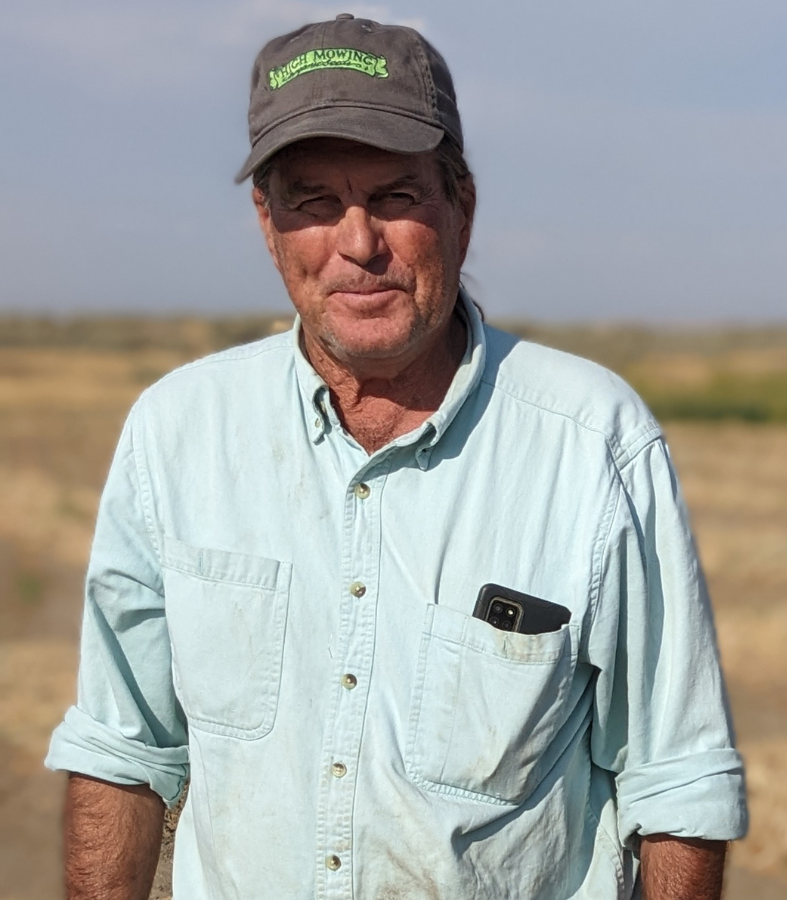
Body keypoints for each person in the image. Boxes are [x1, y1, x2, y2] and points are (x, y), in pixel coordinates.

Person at [46, 16, 745, 900]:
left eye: (396, 196)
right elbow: (123, 751)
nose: (358, 243)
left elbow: (675, 781)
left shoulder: (594, 440)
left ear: (463, 205)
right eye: (312, 203)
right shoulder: (176, 432)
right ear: (267, 223)